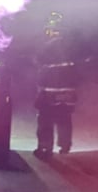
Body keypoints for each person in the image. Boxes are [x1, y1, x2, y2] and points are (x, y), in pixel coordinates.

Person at [32, 12, 81, 158]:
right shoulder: (73, 46)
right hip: (69, 92)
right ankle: (65, 146)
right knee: (64, 118)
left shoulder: (47, 46)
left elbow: (39, 61)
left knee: (45, 119)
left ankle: (45, 148)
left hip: (50, 91)